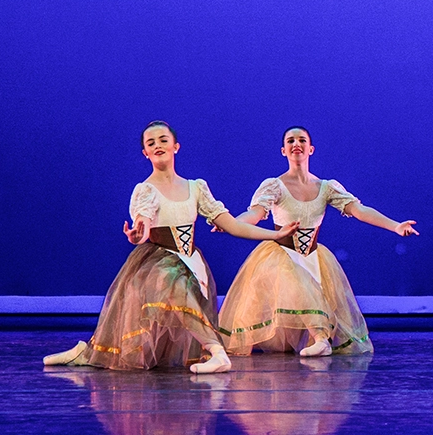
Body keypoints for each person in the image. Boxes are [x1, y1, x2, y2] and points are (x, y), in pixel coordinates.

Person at [43, 121, 299, 374]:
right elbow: (142, 222)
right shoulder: (146, 190)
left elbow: (232, 225)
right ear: (145, 152)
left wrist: (275, 234)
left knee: (180, 287)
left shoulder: (195, 187)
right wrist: (137, 235)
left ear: (175, 146)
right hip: (158, 261)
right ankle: (217, 352)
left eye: (163, 140)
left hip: (191, 263)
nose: (157, 145)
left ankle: (82, 353)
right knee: (171, 283)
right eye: (150, 143)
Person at [217, 126, 418, 357]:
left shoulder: (326, 188)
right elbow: (254, 214)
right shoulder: (274, 186)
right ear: (283, 151)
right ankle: (321, 338)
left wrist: (395, 225)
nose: (296, 144)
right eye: (290, 141)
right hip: (281, 256)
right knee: (298, 286)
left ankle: (319, 339)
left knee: (309, 292)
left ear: (310, 149)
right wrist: (230, 223)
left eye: (301, 140)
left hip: (313, 257)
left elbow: (359, 211)